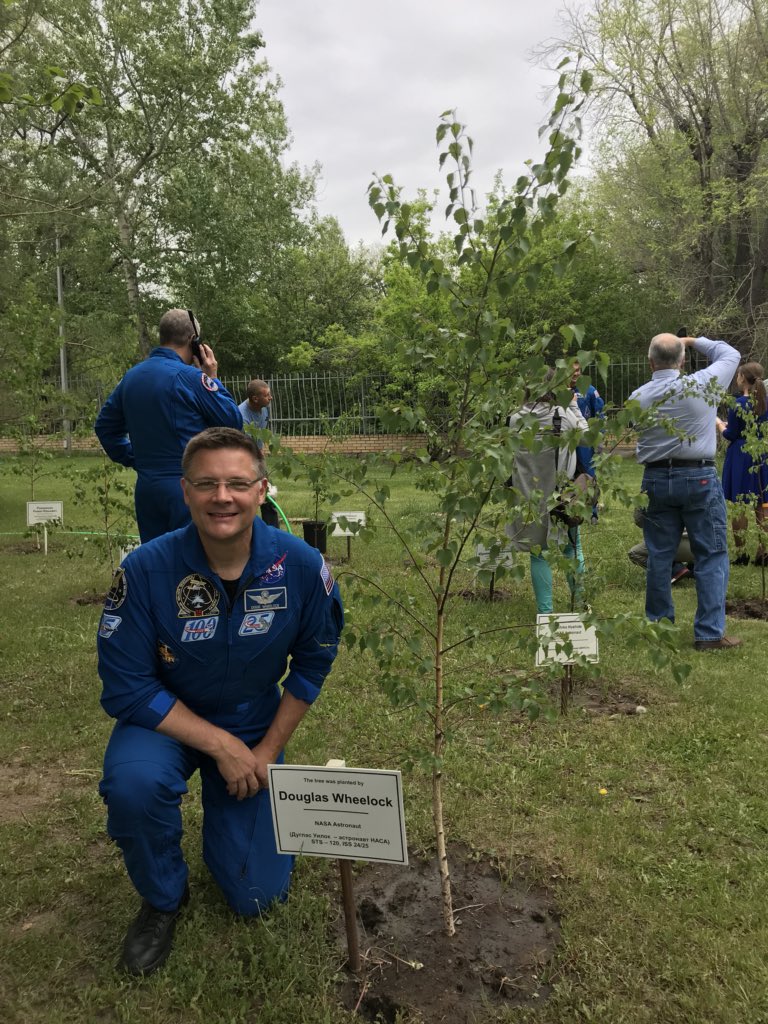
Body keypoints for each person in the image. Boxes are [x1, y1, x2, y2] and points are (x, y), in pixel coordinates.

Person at [96, 427, 344, 976]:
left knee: (256, 896)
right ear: (185, 492)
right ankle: (163, 898)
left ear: (261, 489)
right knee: (135, 786)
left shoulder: (302, 567)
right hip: (162, 718)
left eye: (237, 483)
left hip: (255, 718)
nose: (222, 496)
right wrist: (221, 746)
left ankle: (233, 841)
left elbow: (314, 659)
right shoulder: (144, 570)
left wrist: (263, 749)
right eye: (206, 483)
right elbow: (127, 685)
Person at [628, 333, 740, 650]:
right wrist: (692, 340)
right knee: (711, 554)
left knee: (659, 555)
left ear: (650, 362)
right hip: (699, 476)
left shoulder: (638, 397)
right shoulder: (703, 383)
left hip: (656, 479)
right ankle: (708, 634)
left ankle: (659, 629)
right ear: (680, 361)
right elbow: (730, 353)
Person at [95, 309, 243, 543]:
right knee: (194, 565)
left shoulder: (131, 377)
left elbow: (105, 427)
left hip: (147, 488)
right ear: (193, 341)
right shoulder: (191, 378)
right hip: (186, 488)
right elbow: (232, 422)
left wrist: (135, 458)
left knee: (157, 561)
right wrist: (212, 377)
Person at [505, 370, 589, 614]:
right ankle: (581, 604)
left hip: (528, 496)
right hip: (563, 497)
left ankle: (545, 612)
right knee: (573, 548)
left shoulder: (514, 419)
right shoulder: (563, 416)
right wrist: (573, 407)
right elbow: (586, 439)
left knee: (538, 553)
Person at [716, 362, 768, 565]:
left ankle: (741, 552)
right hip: (762, 453)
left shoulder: (738, 404)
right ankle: (763, 551)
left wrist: (719, 424)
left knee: (739, 503)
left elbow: (731, 434)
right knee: (762, 504)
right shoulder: (765, 402)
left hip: (741, 456)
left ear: (743, 379)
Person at [238, 379, 279, 528]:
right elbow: (246, 446)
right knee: (248, 494)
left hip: (256, 455)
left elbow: (260, 437)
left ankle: (273, 531)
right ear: (255, 398)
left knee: (267, 493)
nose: (271, 397)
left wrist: (262, 457)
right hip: (241, 459)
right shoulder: (242, 416)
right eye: (267, 395)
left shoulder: (263, 410)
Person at [571, 360, 604, 524]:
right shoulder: (560, 392)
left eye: (578, 371)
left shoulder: (590, 390)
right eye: (572, 371)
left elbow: (599, 415)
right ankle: (570, 509)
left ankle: (593, 512)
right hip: (568, 441)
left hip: (585, 441)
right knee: (568, 474)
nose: (575, 374)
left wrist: (599, 439)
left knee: (589, 473)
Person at [628, 506, 695, 583]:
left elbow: (640, 522)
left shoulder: (646, 496)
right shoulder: (697, 493)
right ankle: (695, 567)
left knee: (634, 553)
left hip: (671, 545)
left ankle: (675, 568)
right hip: (699, 547)